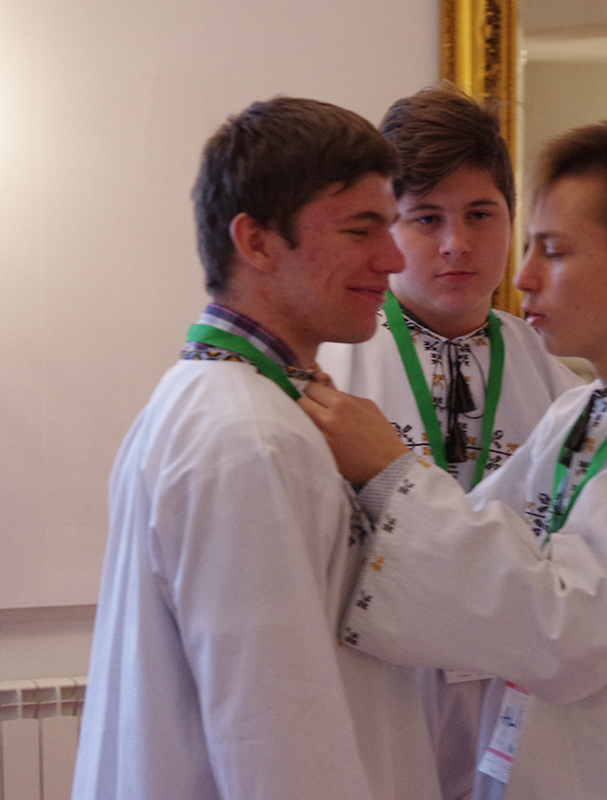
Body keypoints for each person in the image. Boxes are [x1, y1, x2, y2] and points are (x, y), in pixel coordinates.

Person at [302, 118, 607, 800]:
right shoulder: (582, 410)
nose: (524, 276)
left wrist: (391, 472)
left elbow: (572, 629)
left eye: (554, 251)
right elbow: (479, 548)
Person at [72, 97, 445, 800]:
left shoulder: (215, 402)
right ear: (258, 242)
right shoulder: (249, 439)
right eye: (360, 229)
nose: (392, 257)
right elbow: (277, 735)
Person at [317, 86, 583, 800]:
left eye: (480, 214)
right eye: (426, 218)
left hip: (512, 696)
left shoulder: (561, 386)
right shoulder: (331, 375)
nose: (456, 244)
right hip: (379, 690)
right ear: (385, 227)